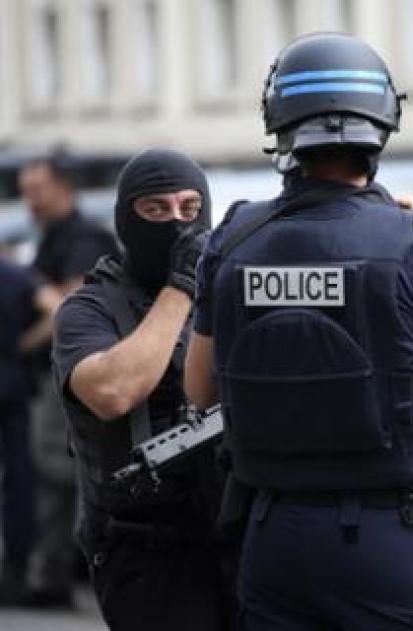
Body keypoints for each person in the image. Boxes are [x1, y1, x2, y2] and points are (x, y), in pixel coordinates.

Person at [184, 33, 413, 630]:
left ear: (281, 125)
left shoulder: (230, 244)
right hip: (392, 540)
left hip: (273, 538)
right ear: (381, 124)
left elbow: (200, 391)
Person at [51, 148, 238, 630]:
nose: (177, 223)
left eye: (190, 209)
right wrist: (181, 285)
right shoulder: (87, 310)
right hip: (146, 550)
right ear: (125, 218)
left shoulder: (228, 292)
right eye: (156, 209)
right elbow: (112, 391)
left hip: (235, 533)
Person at [18, 151, 119, 608]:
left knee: (61, 481)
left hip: (74, 378)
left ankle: (59, 576)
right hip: (57, 377)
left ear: (63, 187)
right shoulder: (51, 237)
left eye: (36, 190)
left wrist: (23, 341)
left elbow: (67, 307)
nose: (29, 200)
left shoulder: (83, 237)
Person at [0, 258, 57, 605]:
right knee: (20, 479)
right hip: (11, 381)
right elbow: (57, 307)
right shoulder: (16, 275)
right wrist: (22, 345)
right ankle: (15, 574)